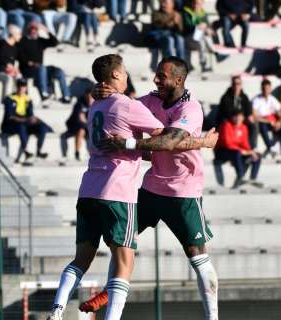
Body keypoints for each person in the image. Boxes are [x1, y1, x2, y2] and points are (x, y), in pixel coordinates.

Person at [47, 55, 219, 320]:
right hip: (150, 188)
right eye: (156, 74)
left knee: (197, 256)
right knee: (122, 245)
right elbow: (119, 112)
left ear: (179, 79)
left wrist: (126, 142)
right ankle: (110, 296)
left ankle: (212, 317)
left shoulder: (191, 109)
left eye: (162, 76)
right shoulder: (149, 100)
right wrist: (103, 91)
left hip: (182, 190)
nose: (156, 80)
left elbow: (169, 142)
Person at [18, 22, 72, 102]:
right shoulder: (23, 41)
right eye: (32, 29)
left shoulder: (40, 41)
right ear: (28, 30)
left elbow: (55, 42)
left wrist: (46, 30)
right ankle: (44, 92)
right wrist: (29, 63)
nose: (34, 31)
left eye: (36, 29)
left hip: (40, 69)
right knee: (42, 67)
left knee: (59, 71)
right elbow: (19, 55)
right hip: (28, 69)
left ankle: (66, 96)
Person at [1, 79, 52, 163]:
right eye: (20, 86)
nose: (21, 88)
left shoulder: (28, 99)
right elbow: (10, 117)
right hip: (10, 124)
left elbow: (30, 114)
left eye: (23, 86)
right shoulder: (9, 99)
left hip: (24, 122)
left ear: (26, 88)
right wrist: (26, 120)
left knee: (42, 127)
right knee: (21, 126)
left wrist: (34, 119)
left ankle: (39, 150)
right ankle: (26, 150)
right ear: (16, 87)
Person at [214, 110, 262, 188]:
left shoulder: (244, 127)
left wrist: (250, 152)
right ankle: (241, 177)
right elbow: (227, 143)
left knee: (257, 156)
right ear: (232, 117)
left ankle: (253, 179)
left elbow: (245, 144)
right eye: (236, 116)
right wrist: (242, 151)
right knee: (237, 153)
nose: (238, 119)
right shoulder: (226, 125)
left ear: (243, 118)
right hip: (222, 151)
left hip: (237, 152)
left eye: (240, 117)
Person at [216, 75, 256, 148]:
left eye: (238, 84)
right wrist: (238, 117)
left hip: (241, 119)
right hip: (229, 120)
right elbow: (226, 112)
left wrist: (247, 117)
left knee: (253, 125)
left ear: (241, 85)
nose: (236, 86)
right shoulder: (225, 97)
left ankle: (250, 148)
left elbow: (248, 110)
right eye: (234, 84)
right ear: (232, 85)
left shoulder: (244, 97)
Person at [182, 0, 222, 72]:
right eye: (195, 3)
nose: (196, 5)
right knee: (202, 34)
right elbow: (187, 25)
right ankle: (215, 53)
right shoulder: (186, 12)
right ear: (192, 3)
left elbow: (208, 26)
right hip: (188, 38)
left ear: (202, 4)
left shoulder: (203, 14)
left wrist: (207, 29)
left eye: (198, 3)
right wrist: (198, 26)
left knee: (202, 39)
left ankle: (204, 64)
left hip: (199, 40)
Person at [0, 24, 22, 102]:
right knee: (8, 78)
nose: (20, 36)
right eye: (19, 34)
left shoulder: (15, 47)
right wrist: (7, 67)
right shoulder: (2, 44)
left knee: (19, 77)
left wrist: (14, 70)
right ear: (13, 34)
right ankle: (6, 101)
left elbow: (15, 61)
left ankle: (17, 99)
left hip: (6, 70)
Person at [59, 88, 93, 164]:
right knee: (81, 131)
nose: (89, 98)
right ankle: (77, 152)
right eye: (88, 96)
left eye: (91, 97)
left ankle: (90, 153)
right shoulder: (79, 104)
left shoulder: (97, 105)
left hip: (88, 128)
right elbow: (79, 119)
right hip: (76, 126)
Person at [252, 79, 281, 157]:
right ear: (261, 89)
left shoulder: (272, 99)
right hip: (262, 122)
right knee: (262, 125)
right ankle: (270, 146)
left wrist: (279, 122)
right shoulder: (256, 100)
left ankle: (279, 147)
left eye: (268, 88)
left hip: (272, 121)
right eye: (264, 89)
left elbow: (280, 114)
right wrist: (268, 121)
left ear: (270, 89)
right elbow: (254, 116)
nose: (266, 91)